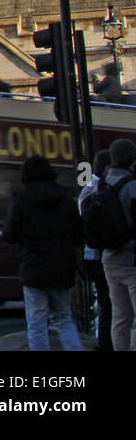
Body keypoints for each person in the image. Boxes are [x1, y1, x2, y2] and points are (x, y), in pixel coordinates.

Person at [2, 155, 84, 350]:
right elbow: (80, 235)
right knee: (64, 319)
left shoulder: (20, 201)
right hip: (62, 268)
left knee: (37, 324)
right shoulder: (66, 199)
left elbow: (10, 235)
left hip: (33, 267)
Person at [103, 138, 136, 350]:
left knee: (120, 317)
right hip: (132, 259)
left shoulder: (99, 184)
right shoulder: (132, 186)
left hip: (108, 258)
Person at [80, 149, 114, 350]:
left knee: (104, 302)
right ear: (107, 168)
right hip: (101, 253)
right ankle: (106, 342)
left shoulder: (87, 188)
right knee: (108, 303)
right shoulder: (101, 188)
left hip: (90, 252)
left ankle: (103, 341)